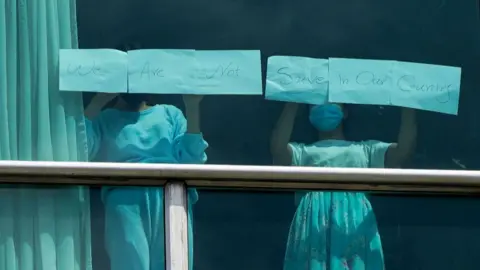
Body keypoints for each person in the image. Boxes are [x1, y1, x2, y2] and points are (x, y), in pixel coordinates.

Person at [270, 102, 416, 270]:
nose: (324, 105)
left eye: (333, 101)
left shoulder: (365, 150)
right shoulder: (302, 152)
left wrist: (408, 106)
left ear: (345, 111)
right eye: (316, 103)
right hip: (314, 225)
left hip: (353, 222)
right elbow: (278, 148)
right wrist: (291, 103)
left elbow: (403, 151)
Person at [84, 91, 207, 270]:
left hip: (172, 197)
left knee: (174, 262)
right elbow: (79, 151)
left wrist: (192, 105)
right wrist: (98, 101)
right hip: (125, 198)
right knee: (129, 262)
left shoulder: (170, 114)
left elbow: (193, 161)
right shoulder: (105, 119)